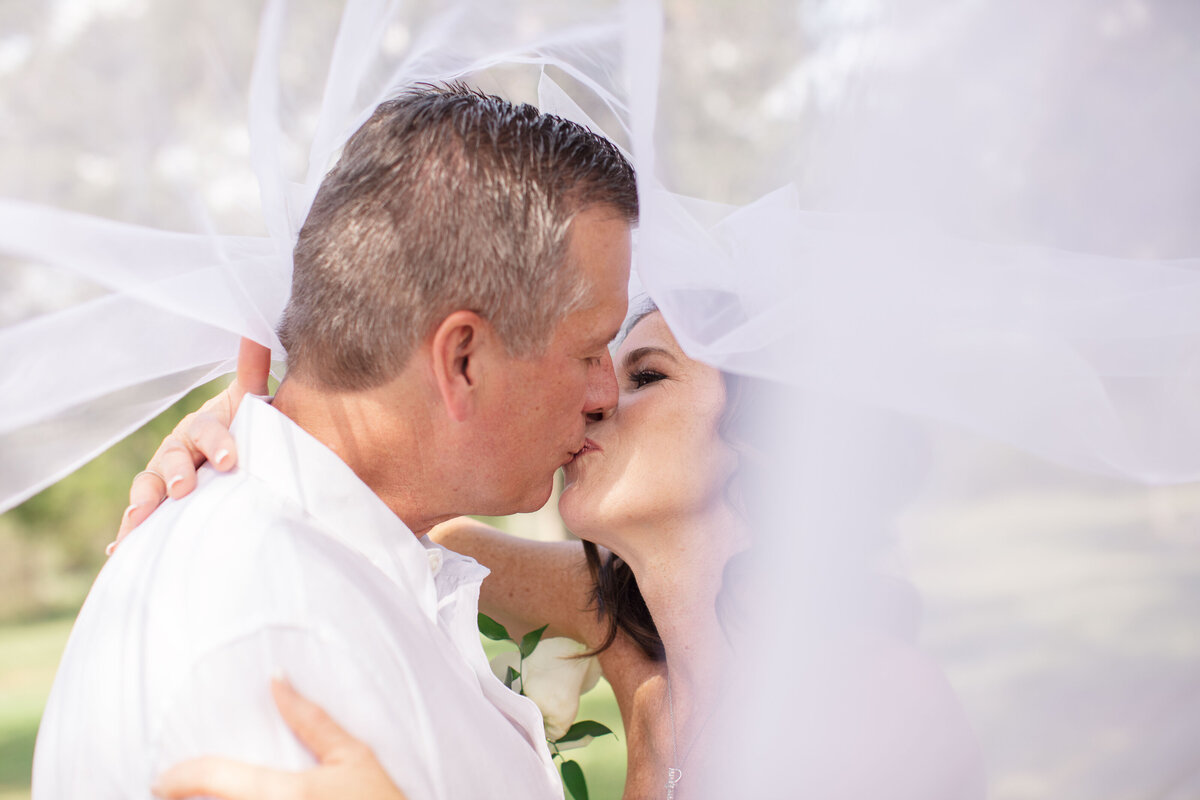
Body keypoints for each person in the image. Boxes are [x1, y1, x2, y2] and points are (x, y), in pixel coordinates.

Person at [31, 84, 637, 800]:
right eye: (592, 350)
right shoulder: (273, 634)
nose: (607, 394)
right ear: (462, 360)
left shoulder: (355, 560)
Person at [126, 304, 983, 800]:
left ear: (769, 444)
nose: (596, 399)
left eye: (646, 377)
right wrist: (251, 448)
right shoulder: (632, 647)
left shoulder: (875, 697)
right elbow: (414, 517)